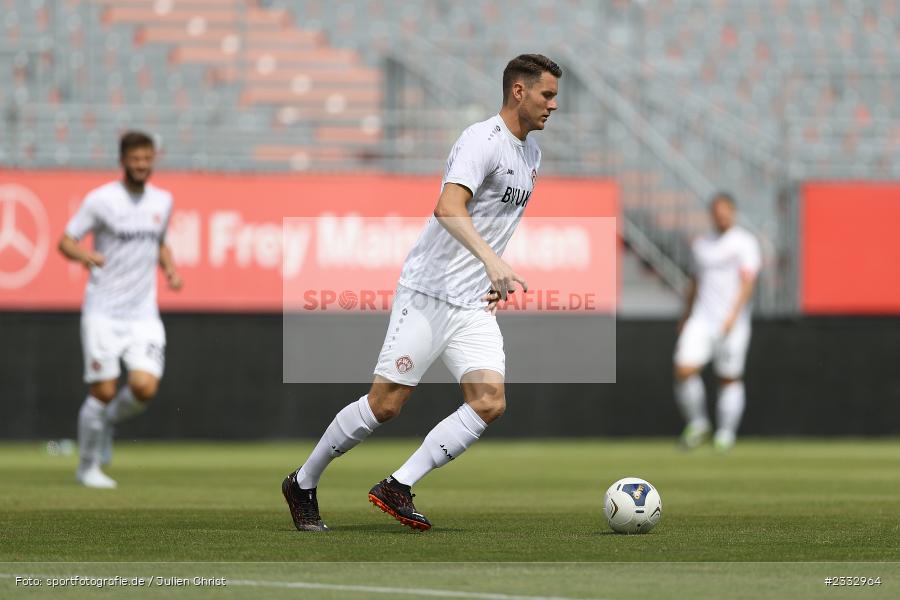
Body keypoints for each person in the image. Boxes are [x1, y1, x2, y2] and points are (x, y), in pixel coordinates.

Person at [283, 54, 561, 531]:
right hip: (429, 292)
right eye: (547, 94)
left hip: (472, 303)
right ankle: (303, 482)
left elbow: (496, 224)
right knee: (385, 406)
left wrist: (491, 275)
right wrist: (491, 261)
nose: (553, 105)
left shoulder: (531, 155)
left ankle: (399, 485)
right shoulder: (482, 140)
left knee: (490, 401)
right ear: (519, 91)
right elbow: (448, 206)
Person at [58, 131, 182, 488]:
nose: (142, 164)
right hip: (104, 311)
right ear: (123, 160)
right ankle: (87, 466)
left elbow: (159, 243)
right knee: (104, 390)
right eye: (136, 158)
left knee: (144, 388)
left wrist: (170, 268)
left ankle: (106, 423)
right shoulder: (101, 200)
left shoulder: (163, 201)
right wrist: (85, 255)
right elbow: (65, 241)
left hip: (143, 313)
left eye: (147, 158)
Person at [673, 192, 761, 452]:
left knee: (729, 377)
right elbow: (695, 282)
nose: (721, 215)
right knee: (683, 369)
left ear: (732, 212)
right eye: (717, 210)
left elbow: (748, 282)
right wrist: (686, 313)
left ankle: (725, 434)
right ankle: (699, 425)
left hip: (732, 322)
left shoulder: (744, 242)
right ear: (712, 213)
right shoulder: (702, 244)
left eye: (726, 210)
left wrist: (733, 315)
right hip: (701, 318)